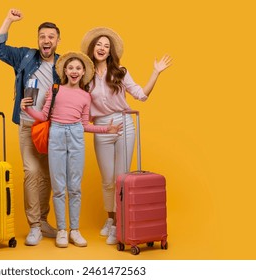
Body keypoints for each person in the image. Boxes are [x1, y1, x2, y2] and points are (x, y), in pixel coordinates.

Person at [81, 27, 172, 245]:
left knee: (121, 176)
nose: (102, 48)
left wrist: (156, 72)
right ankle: (110, 219)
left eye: (106, 45)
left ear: (110, 51)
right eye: (98, 44)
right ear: (92, 48)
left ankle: (120, 224)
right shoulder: (85, 75)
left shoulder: (120, 71)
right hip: (101, 127)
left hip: (123, 124)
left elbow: (141, 95)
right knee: (107, 180)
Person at [21, 52, 122, 248]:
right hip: (56, 134)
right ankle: (61, 230)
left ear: (83, 71)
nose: (74, 71)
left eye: (78, 68)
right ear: (64, 71)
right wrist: (27, 109)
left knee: (75, 187)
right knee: (59, 187)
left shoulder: (86, 96)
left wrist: (106, 129)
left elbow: (84, 124)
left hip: (76, 135)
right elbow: (43, 116)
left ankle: (74, 230)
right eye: (71, 68)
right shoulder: (55, 89)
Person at [0, 8, 61, 246]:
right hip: (29, 124)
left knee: (48, 176)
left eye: (51, 36)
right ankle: (33, 226)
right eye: (42, 36)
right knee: (31, 173)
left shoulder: (64, 64)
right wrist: (8, 20)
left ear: (58, 41)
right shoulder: (26, 57)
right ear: (38, 40)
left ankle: (42, 220)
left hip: (53, 129)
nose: (46, 40)